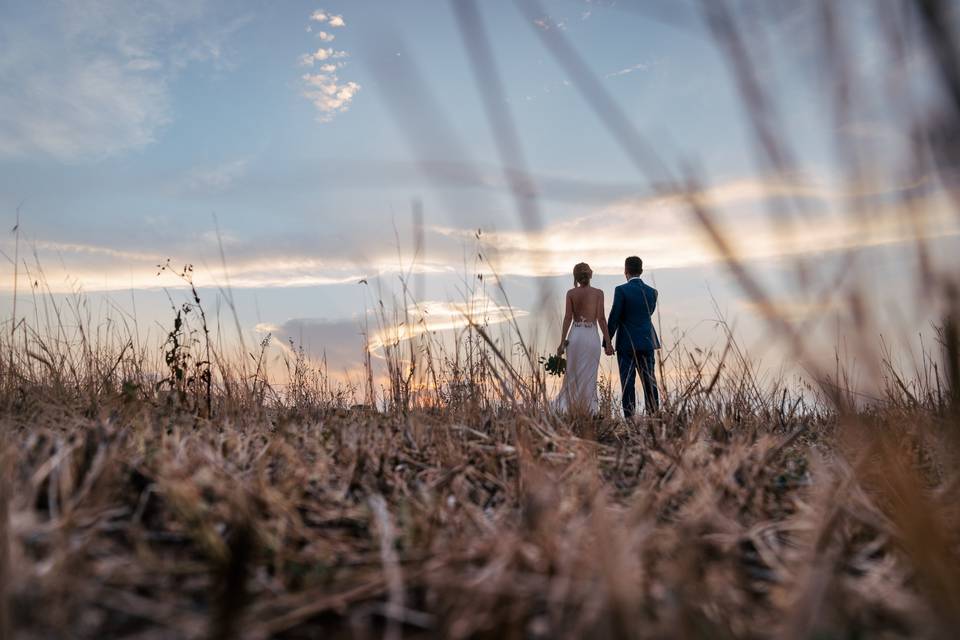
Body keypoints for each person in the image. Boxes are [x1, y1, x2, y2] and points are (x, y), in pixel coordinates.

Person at [556, 262, 615, 415]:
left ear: (576, 276)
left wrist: (562, 342)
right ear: (590, 274)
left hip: (575, 336)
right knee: (589, 374)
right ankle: (589, 411)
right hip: (591, 337)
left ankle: (566, 409)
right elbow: (601, 319)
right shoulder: (598, 293)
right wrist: (608, 343)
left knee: (572, 373)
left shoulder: (571, 293)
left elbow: (568, 318)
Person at [607, 256, 661, 417]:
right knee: (649, 381)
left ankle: (630, 419)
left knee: (627, 382)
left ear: (626, 271)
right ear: (641, 271)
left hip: (626, 343)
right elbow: (648, 313)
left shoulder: (621, 290)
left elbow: (614, 316)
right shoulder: (652, 292)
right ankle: (653, 417)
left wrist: (607, 340)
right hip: (647, 341)